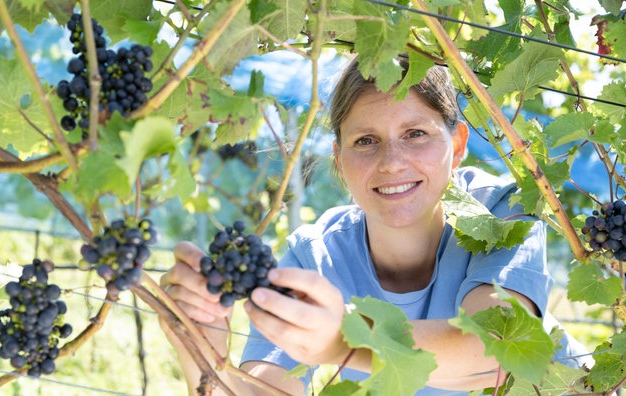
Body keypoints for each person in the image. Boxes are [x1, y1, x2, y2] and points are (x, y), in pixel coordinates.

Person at [158, 55, 592, 395]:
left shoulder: (501, 211)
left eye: (416, 134)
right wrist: (202, 350)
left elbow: (496, 346)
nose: (391, 163)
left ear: (457, 146)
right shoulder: (315, 256)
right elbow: (267, 389)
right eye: (366, 141)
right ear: (340, 161)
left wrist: (340, 343)